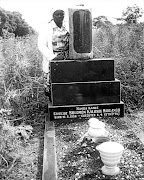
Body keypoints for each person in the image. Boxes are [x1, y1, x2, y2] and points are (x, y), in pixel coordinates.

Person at [38, 8, 69, 101]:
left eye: (61, 14)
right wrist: (53, 57)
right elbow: (41, 45)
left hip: (66, 57)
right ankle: (54, 104)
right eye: (57, 14)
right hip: (53, 58)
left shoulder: (67, 26)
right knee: (52, 85)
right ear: (52, 16)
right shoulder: (46, 28)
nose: (60, 16)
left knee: (66, 81)